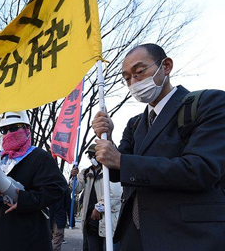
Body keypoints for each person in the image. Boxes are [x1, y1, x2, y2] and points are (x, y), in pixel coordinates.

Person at [92, 43, 225, 251]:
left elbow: (201, 169)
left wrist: (120, 160)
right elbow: (119, 171)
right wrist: (106, 136)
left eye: (139, 72)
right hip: (134, 237)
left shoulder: (208, 103)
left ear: (166, 66)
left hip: (188, 237)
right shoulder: (135, 123)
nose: (134, 82)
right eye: (127, 78)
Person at [0, 111, 67, 251]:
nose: (8, 133)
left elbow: (57, 188)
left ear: (27, 129)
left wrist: (25, 200)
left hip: (25, 235)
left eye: (13, 128)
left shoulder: (40, 156)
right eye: (3, 130)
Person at [69, 144, 122, 251]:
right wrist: (73, 177)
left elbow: (115, 194)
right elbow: (77, 189)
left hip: (107, 220)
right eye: (90, 156)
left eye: (93, 155)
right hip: (90, 221)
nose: (92, 158)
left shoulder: (111, 171)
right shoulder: (85, 173)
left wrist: (98, 208)